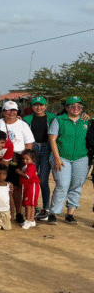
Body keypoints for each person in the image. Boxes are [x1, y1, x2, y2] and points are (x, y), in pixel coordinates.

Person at [0, 101, 35, 222]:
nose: (11, 113)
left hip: (17, 158)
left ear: (17, 112)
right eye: (8, 110)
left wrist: (25, 161)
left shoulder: (23, 125)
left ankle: (18, 213)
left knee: (16, 187)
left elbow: (28, 144)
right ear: (3, 112)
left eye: (14, 110)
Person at [48, 96, 90, 225]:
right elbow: (52, 139)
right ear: (67, 108)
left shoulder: (86, 121)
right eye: (73, 106)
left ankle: (70, 213)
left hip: (81, 157)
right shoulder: (59, 120)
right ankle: (53, 212)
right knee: (62, 184)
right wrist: (57, 158)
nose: (76, 109)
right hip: (62, 157)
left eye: (79, 106)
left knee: (77, 184)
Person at [22, 96, 54, 220]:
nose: (38, 107)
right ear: (32, 106)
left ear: (46, 106)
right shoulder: (27, 119)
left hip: (46, 149)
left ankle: (45, 208)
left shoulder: (52, 118)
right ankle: (32, 206)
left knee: (43, 180)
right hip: (32, 150)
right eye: (36, 105)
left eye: (41, 105)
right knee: (30, 178)